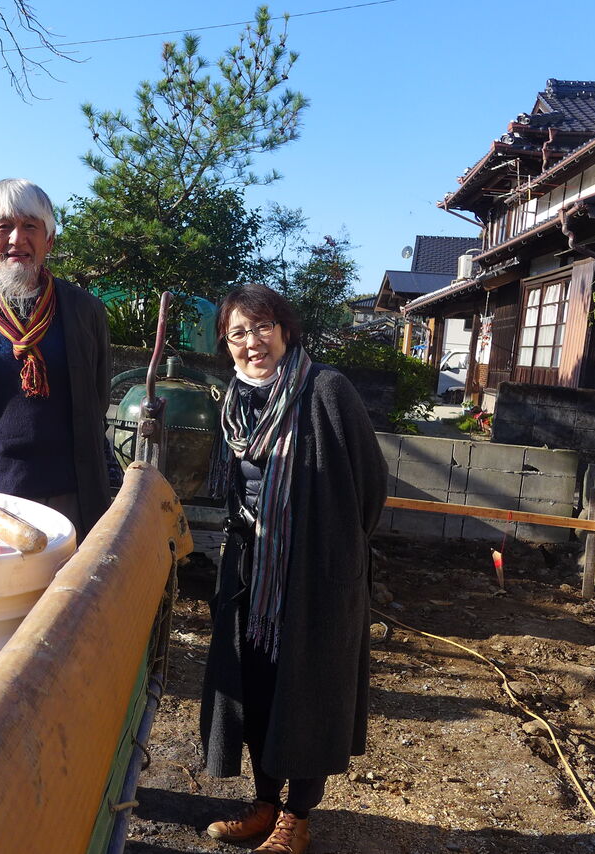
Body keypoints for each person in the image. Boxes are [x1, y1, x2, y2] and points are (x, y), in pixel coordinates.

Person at [199, 285, 387, 853]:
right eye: (238, 333)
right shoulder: (235, 401)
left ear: (285, 330)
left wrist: (332, 550)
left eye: (262, 327)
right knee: (257, 685)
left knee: (308, 692)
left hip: (314, 576)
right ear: (226, 344)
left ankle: (296, 817)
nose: (252, 342)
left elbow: (370, 484)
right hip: (250, 572)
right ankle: (265, 802)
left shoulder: (326, 390)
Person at [0, 179, 111, 537]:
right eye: (3, 226)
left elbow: (98, 397)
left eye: (30, 226)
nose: (17, 239)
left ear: (49, 240)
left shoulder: (86, 312)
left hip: (71, 495)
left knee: (70, 574)